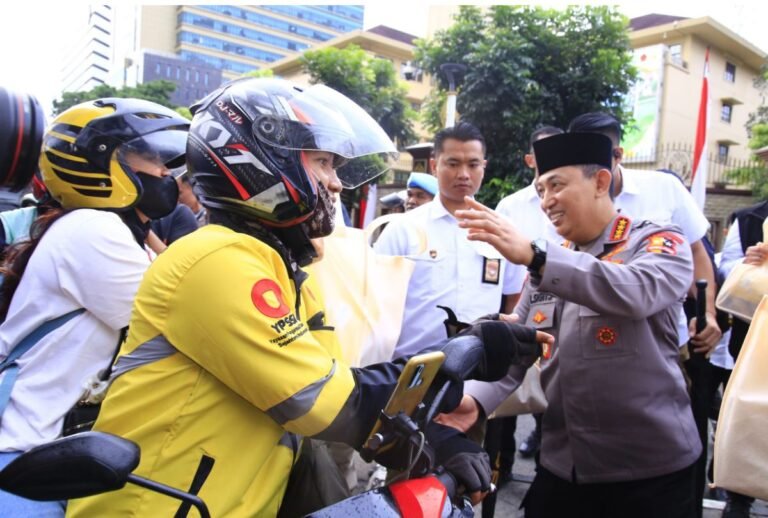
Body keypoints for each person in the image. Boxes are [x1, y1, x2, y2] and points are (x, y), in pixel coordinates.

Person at [66, 78, 551, 518]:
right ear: (257, 161)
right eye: (322, 163)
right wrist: (461, 354)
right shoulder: (216, 258)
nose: (336, 183)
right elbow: (324, 404)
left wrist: (432, 438)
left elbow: (341, 383)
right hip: (154, 507)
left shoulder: (286, 272)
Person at [453, 132, 701, 517]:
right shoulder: (548, 265)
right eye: (540, 190)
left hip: (651, 473)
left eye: (557, 185)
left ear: (600, 182)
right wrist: (472, 403)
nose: (546, 200)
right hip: (563, 466)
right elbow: (520, 348)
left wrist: (537, 257)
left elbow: (636, 291)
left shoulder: (657, 241)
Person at [0, 97, 189, 516]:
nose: (166, 173)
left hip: (50, 454)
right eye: (152, 159)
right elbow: (177, 323)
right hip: (23, 458)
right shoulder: (94, 230)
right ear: (103, 165)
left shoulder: (104, 229)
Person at [375, 122, 524, 360]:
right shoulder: (402, 229)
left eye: (473, 164)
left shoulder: (503, 230)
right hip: (410, 367)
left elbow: (512, 300)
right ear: (435, 166)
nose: (463, 174)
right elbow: (375, 302)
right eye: (453, 164)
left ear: (484, 166)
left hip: (480, 371)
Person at [493, 125, 564, 472]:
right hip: (522, 306)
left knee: (551, 395)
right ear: (529, 160)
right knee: (507, 394)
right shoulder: (511, 206)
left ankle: (546, 460)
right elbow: (502, 270)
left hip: (562, 313)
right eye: (542, 153)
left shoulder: (573, 201)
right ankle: (501, 466)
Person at [715, 199, 768, 518]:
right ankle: (739, 497)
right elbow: (726, 268)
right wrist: (751, 264)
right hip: (755, 337)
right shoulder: (750, 218)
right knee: (749, 414)